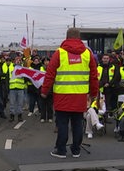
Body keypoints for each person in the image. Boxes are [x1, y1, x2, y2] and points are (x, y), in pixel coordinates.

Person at [41, 28, 99, 159]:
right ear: (79, 38)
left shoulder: (59, 53)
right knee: (78, 124)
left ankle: (61, 150)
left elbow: (50, 74)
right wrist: (93, 93)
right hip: (80, 97)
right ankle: (76, 150)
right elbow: (94, 76)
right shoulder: (87, 54)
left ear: (66, 37)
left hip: (62, 96)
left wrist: (44, 91)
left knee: (62, 124)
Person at [8, 55, 26, 122]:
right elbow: (7, 78)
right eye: (17, 60)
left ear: (21, 61)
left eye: (19, 60)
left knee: (20, 103)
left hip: (20, 88)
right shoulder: (10, 67)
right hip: (12, 88)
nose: (18, 61)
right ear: (14, 61)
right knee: (12, 103)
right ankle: (12, 116)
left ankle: (19, 116)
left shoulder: (23, 69)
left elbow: (26, 77)